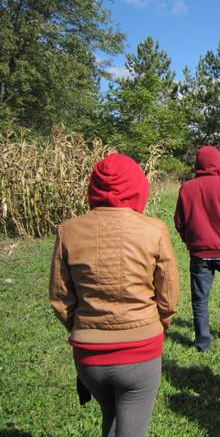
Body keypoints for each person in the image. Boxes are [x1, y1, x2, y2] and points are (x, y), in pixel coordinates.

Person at [50, 153, 180, 437]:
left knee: (110, 419)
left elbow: (60, 298)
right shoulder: (154, 230)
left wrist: (81, 327)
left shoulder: (68, 231)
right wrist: (160, 326)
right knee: (133, 429)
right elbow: (168, 296)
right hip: (140, 350)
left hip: (88, 356)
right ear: (138, 187)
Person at [174, 146, 220, 352]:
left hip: (199, 252)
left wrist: (188, 240)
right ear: (219, 163)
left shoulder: (187, 188)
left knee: (200, 297)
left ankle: (203, 341)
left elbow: (179, 221)